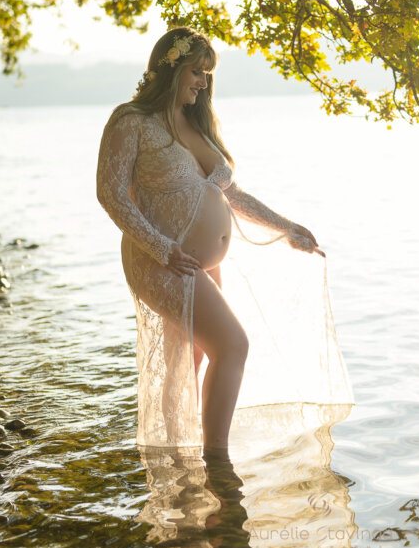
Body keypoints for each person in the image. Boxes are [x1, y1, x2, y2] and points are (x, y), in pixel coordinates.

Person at [96, 27, 352, 455]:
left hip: (198, 262)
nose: (203, 81)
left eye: (207, 74)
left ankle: (184, 452)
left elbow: (229, 194)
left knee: (194, 357)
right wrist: (161, 247)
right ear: (171, 67)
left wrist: (286, 228)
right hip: (162, 258)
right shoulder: (132, 121)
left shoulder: (197, 124)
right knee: (233, 345)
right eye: (196, 71)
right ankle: (217, 460)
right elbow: (111, 193)